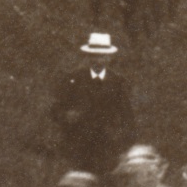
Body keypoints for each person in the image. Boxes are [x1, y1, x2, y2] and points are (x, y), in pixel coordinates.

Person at [51, 32, 136, 178]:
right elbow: (55, 110)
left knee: (106, 183)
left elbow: (127, 117)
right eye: (94, 56)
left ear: (109, 58)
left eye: (102, 56)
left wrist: (123, 145)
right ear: (88, 57)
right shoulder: (74, 79)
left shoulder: (118, 82)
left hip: (107, 147)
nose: (98, 60)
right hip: (77, 145)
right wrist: (66, 116)